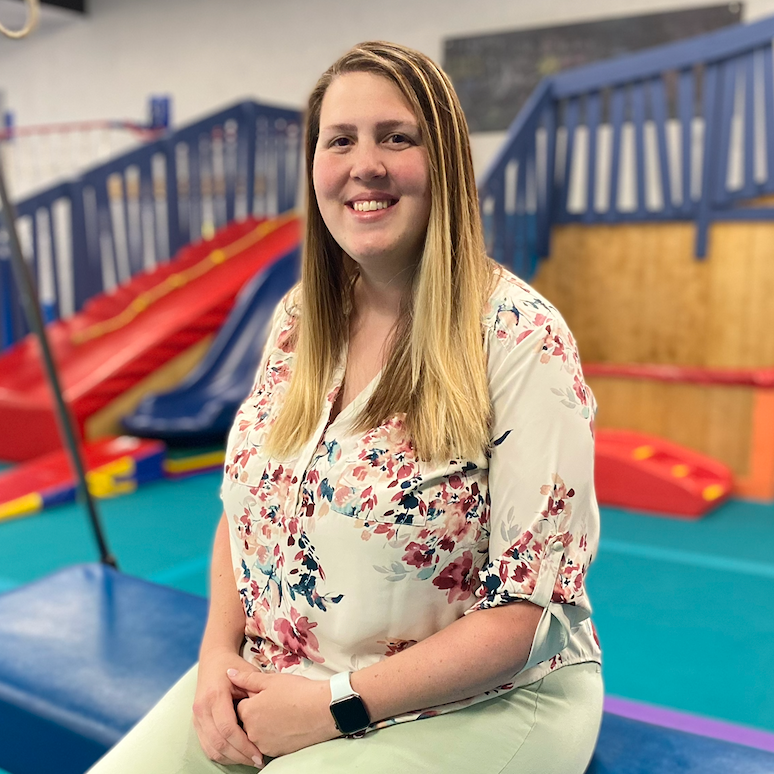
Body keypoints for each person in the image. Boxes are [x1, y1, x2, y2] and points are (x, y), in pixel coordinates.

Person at [88, 41, 602, 774]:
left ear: (445, 163)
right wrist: (215, 658)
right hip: (284, 673)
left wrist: (335, 705)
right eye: (340, 141)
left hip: (484, 699)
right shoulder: (300, 320)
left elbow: (525, 615)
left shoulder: (520, 338)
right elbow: (243, 511)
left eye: (397, 138)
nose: (366, 165)